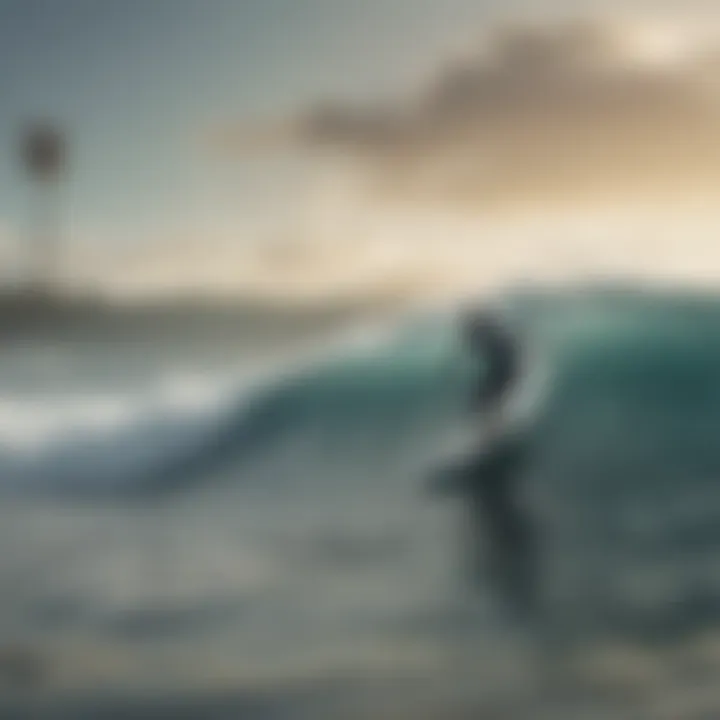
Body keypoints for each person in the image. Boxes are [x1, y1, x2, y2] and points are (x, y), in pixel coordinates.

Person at [429, 309, 540, 623]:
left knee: (483, 407)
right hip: (502, 377)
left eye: (470, 333)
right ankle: (511, 581)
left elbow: (511, 367)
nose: (467, 340)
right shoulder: (496, 341)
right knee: (481, 407)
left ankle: (487, 442)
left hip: (505, 377)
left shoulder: (498, 341)